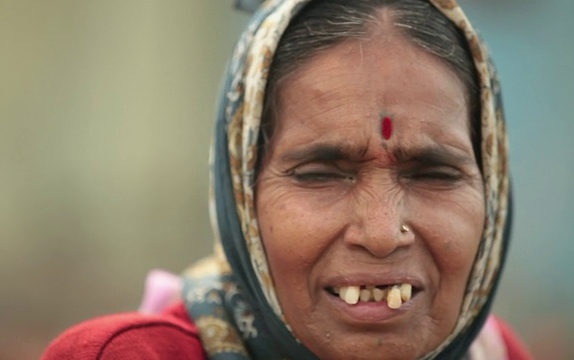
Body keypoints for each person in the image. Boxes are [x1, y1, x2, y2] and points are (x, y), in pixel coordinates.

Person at [42, 0, 533, 358]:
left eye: (433, 174)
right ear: (241, 196)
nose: (383, 234)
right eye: (321, 175)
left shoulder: (497, 354)